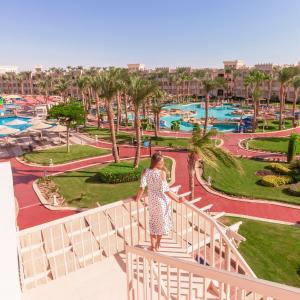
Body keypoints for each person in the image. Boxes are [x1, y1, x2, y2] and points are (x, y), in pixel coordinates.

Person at [135, 152, 186, 251]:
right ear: (157, 162)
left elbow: (142, 188)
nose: (163, 164)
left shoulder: (145, 171)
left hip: (152, 202)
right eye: (161, 162)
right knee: (161, 224)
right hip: (162, 202)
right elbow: (166, 190)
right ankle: (158, 244)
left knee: (153, 224)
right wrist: (177, 200)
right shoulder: (161, 173)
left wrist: (137, 199)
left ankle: (153, 246)